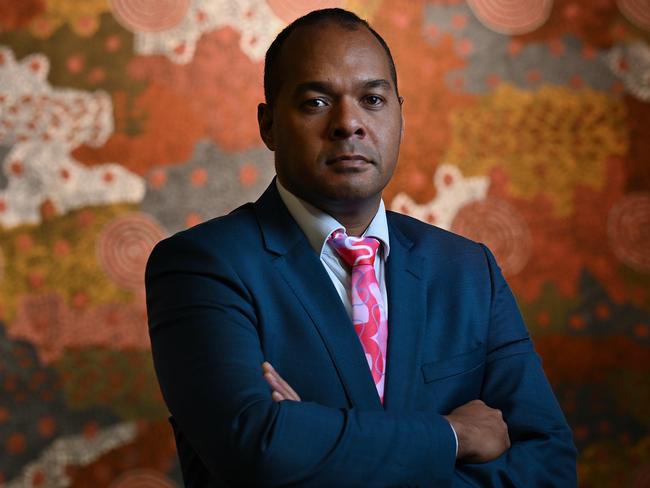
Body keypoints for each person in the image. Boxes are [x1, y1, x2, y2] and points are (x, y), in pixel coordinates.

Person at [145, 8, 577, 487]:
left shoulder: (468, 269)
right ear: (268, 125)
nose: (348, 123)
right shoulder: (202, 266)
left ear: (399, 115)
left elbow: (550, 464)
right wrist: (452, 436)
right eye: (314, 103)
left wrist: (315, 443)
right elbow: (258, 448)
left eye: (372, 98)